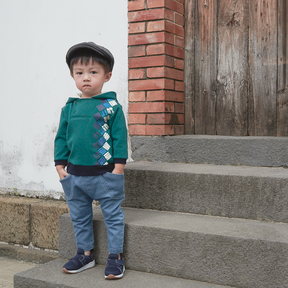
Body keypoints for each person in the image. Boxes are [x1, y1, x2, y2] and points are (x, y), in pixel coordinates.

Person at [54, 42, 128, 280]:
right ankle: (85, 254)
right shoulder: (69, 108)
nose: (86, 78)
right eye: (79, 73)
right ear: (73, 76)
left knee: (113, 216)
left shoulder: (111, 107)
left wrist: (118, 169)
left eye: (93, 72)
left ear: (106, 76)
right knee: (79, 216)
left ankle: (115, 257)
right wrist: (60, 166)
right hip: (74, 176)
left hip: (105, 175)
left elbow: (119, 137)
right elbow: (62, 138)